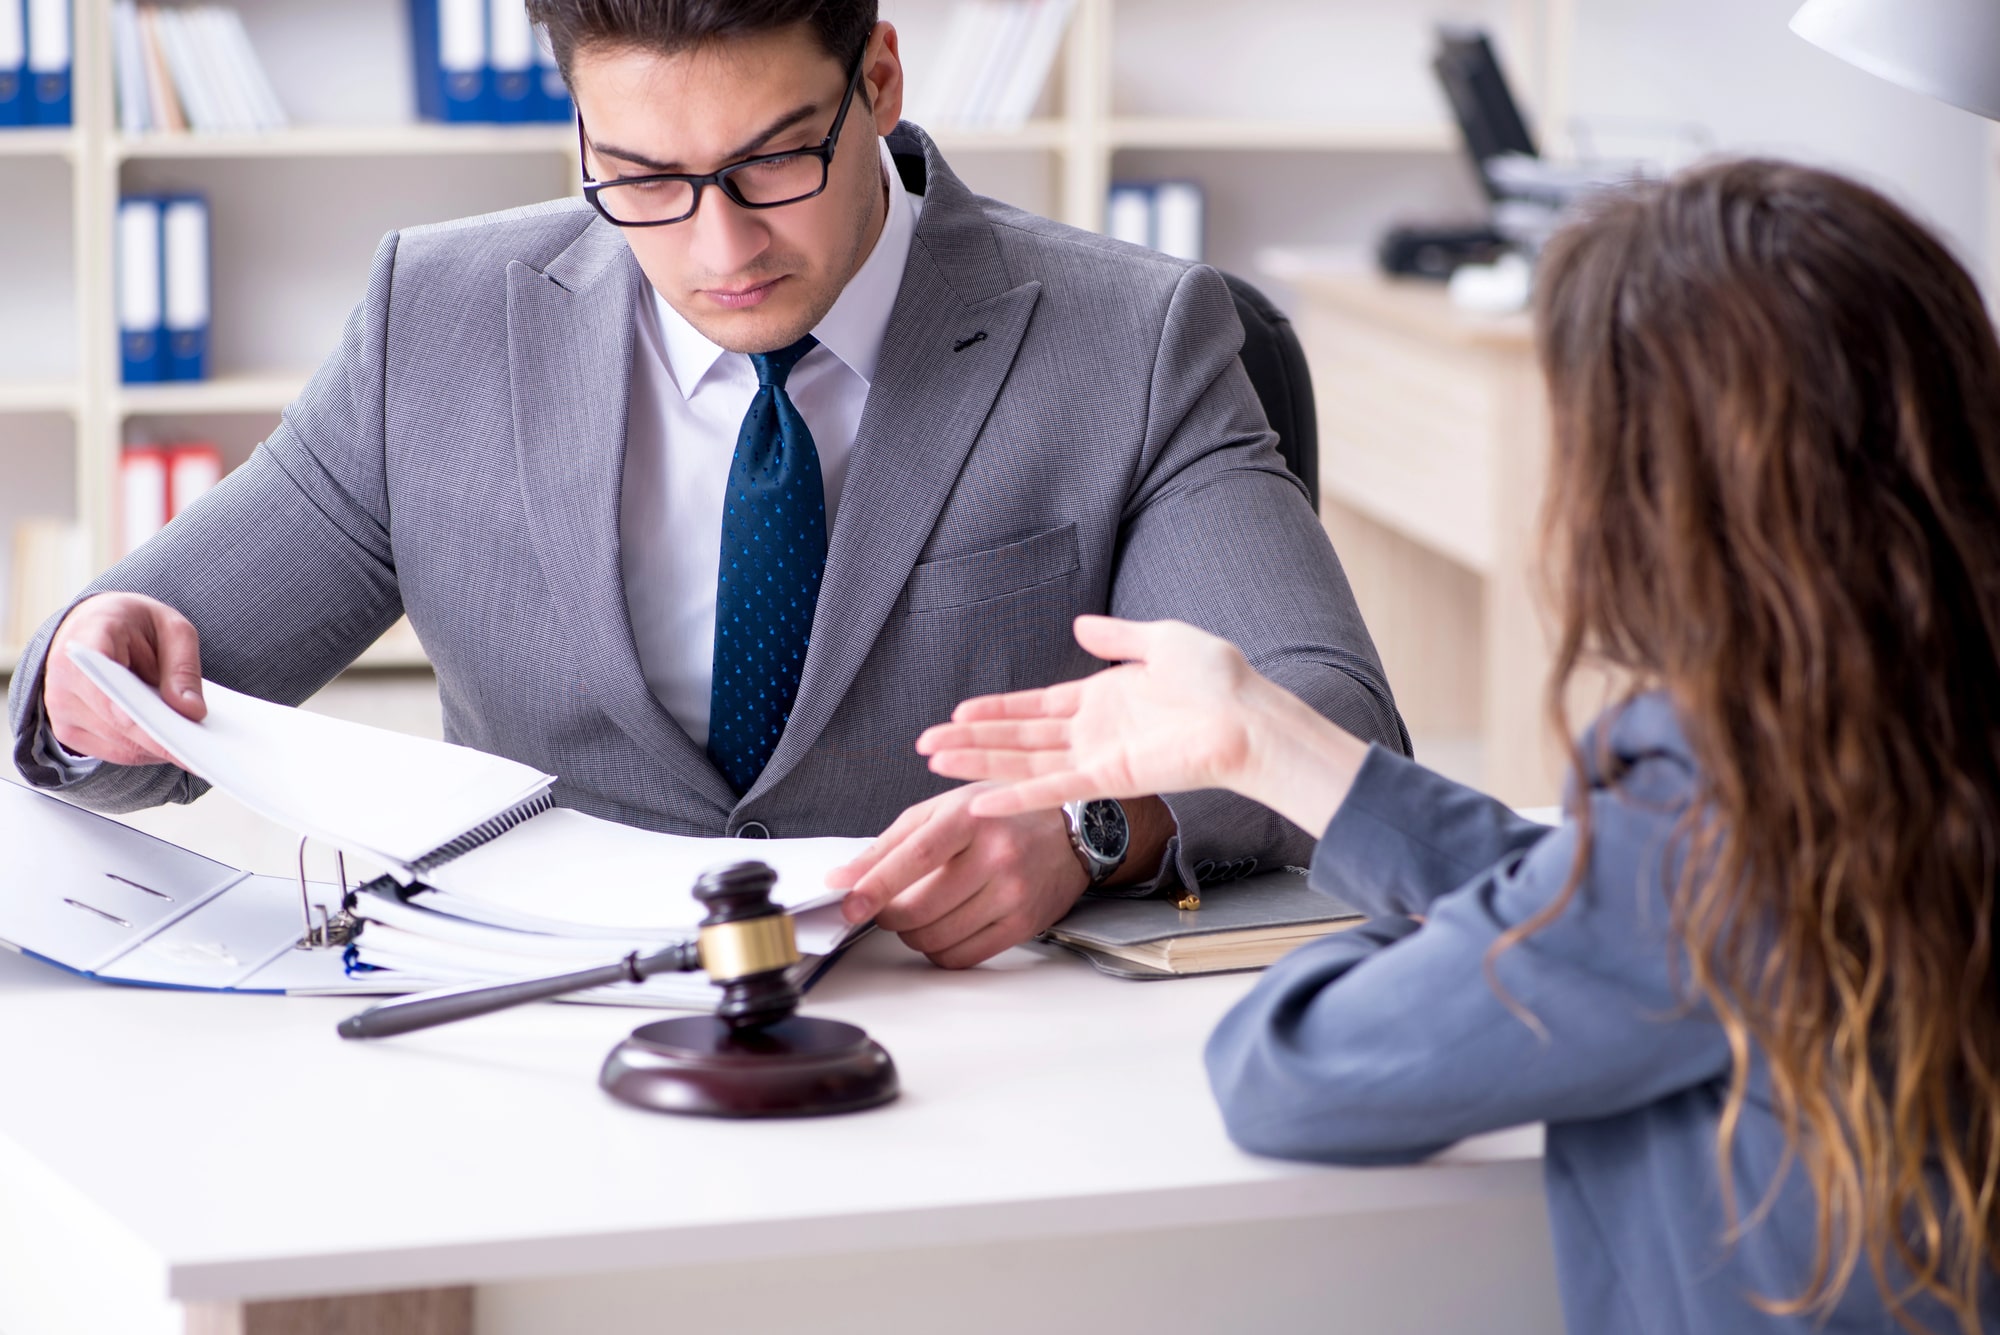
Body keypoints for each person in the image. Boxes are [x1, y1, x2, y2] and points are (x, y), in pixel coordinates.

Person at [3, 1, 1406, 969]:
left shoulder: (1130, 341)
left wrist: (1096, 828)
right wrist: (90, 679)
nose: (717, 243)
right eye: (642, 176)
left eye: (772, 161)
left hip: (969, 1045)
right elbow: (124, 696)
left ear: (882, 80)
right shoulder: (435, 320)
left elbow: (1336, 731)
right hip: (538, 1044)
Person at [916, 159, 2000, 1332]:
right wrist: (1272, 744)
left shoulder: (1718, 817)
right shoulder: (1900, 736)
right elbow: (1600, 917)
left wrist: (1434, 938)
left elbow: (1292, 1068)